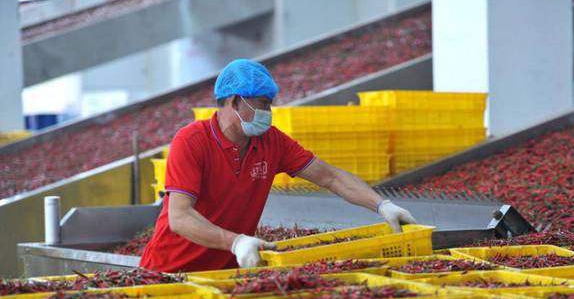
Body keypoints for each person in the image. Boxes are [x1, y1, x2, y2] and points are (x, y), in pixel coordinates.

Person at [140, 59, 416, 272]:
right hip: (168, 272)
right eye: (263, 104)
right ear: (236, 100)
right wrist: (235, 242)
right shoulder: (191, 141)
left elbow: (330, 177)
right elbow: (180, 217)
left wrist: (382, 205)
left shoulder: (272, 142)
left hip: (226, 274)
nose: (268, 114)